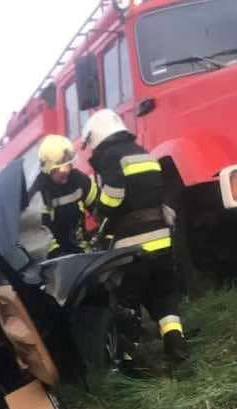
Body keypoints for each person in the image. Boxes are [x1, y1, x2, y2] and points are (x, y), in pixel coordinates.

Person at [81, 109, 189, 365]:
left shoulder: (110, 156)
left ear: (96, 136)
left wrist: (99, 214)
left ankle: (131, 356)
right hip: (162, 238)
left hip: (133, 245)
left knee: (127, 299)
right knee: (164, 294)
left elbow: (114, 196)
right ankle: (176, 344)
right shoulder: (141, 152)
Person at [30, 133, 98, 258]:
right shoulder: (39, 194)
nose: (67, 171)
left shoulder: (78, 179)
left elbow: (98, 207)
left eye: (69, 164)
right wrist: (59, 257)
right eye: (61, 168)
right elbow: (41, 235)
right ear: (48, 168)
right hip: (59, 258)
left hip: (83, 249)